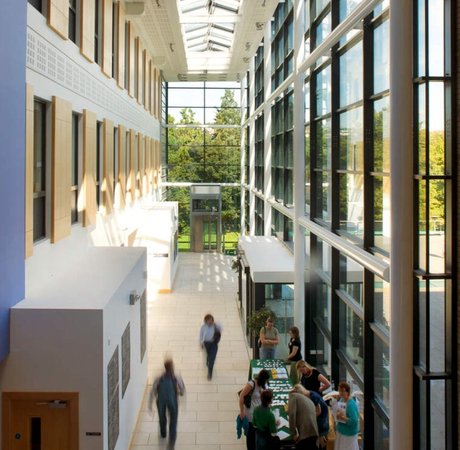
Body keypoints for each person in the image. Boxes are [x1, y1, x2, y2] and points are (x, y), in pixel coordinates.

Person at [148, 358, 185, 448]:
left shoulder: (159, 378)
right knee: (173, 420)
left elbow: (153, 391)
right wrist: (180, 393)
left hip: (161, 401)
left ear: (165, 368)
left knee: (162, 417)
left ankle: (163, 432)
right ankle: (171, 441)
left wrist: (150, 405)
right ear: (172, 367)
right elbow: (182, 390)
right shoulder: (176, 378)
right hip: (173, 402)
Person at [238, 369, 271, 450]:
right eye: (266, 380)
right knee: (250, 436)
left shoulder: (265, 385)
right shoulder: (251, 384)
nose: (267, 381)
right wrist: (242, 411)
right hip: (250, 415)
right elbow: (241, 396)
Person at [294, 384, 329, 448]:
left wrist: (309, 418)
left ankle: (322, 444)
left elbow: (319, 412)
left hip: (322, 417)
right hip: (319, 413)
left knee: (318, 433)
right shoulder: (308, 392)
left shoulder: (313, 397)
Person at [288, 385, 319, 450]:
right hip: (314, 434)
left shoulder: (293, 395)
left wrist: (293, 433)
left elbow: (292, 414)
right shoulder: (309, 400)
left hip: (305, 435)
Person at [334, 381, 359, 450]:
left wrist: (343, 418)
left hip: (348, 434)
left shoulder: (351, 404)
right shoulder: (342, 400)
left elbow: (354, 421)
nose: (340, 393)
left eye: (342, 391)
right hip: (341, 431)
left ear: (347, 392)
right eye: (339, 391)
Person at [199, 313, 222, 380]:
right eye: (208, 320)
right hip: (206, 344)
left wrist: (216, 324)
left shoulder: (215, 326)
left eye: (211, 320)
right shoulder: (203, 327)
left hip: (214, 344)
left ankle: (209, 373)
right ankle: (208, 361)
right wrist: (201, 343)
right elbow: (200, 335)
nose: (210, 322)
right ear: (205, 321)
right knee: (208, 356)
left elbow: (221, 327)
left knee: (212, 359)